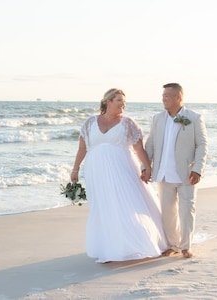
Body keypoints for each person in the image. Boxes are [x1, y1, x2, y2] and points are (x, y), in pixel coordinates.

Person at [70, 88, 167, 263]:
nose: (123, 104)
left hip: (123, 169)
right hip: (95, 171)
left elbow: (138, 148)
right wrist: (75, 169)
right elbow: (82, 149)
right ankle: (109, 247)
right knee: (103, 206)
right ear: (107, 102)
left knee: (127, 204)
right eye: (119, 101)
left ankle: (138, 243)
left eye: (124, 101)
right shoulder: (90, 123)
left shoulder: (128, 123)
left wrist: (147, 167)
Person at [144, 83, 208, 258]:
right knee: (168, 212)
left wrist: (197, 169)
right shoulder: (157, 118)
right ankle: (173, 244)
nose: (163, 98)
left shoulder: (194, 118)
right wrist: (146, 167)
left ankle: (186, 246)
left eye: (167, 95)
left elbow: (202, 145)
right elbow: (150, 144)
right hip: (163, 173)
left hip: (187, 174)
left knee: (187, 209)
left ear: (178, 97)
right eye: (163, 95)